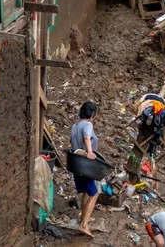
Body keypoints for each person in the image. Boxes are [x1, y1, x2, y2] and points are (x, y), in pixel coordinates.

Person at [70, 101, 100, 238]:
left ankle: (84, 217)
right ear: (92, 114)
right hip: (86, 164)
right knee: (95, 192)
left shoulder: (74, 126)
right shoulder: (88, 124)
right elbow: (87, 137)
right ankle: (84, 225)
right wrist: (89, 151)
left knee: (86, 192)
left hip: (76, 162)